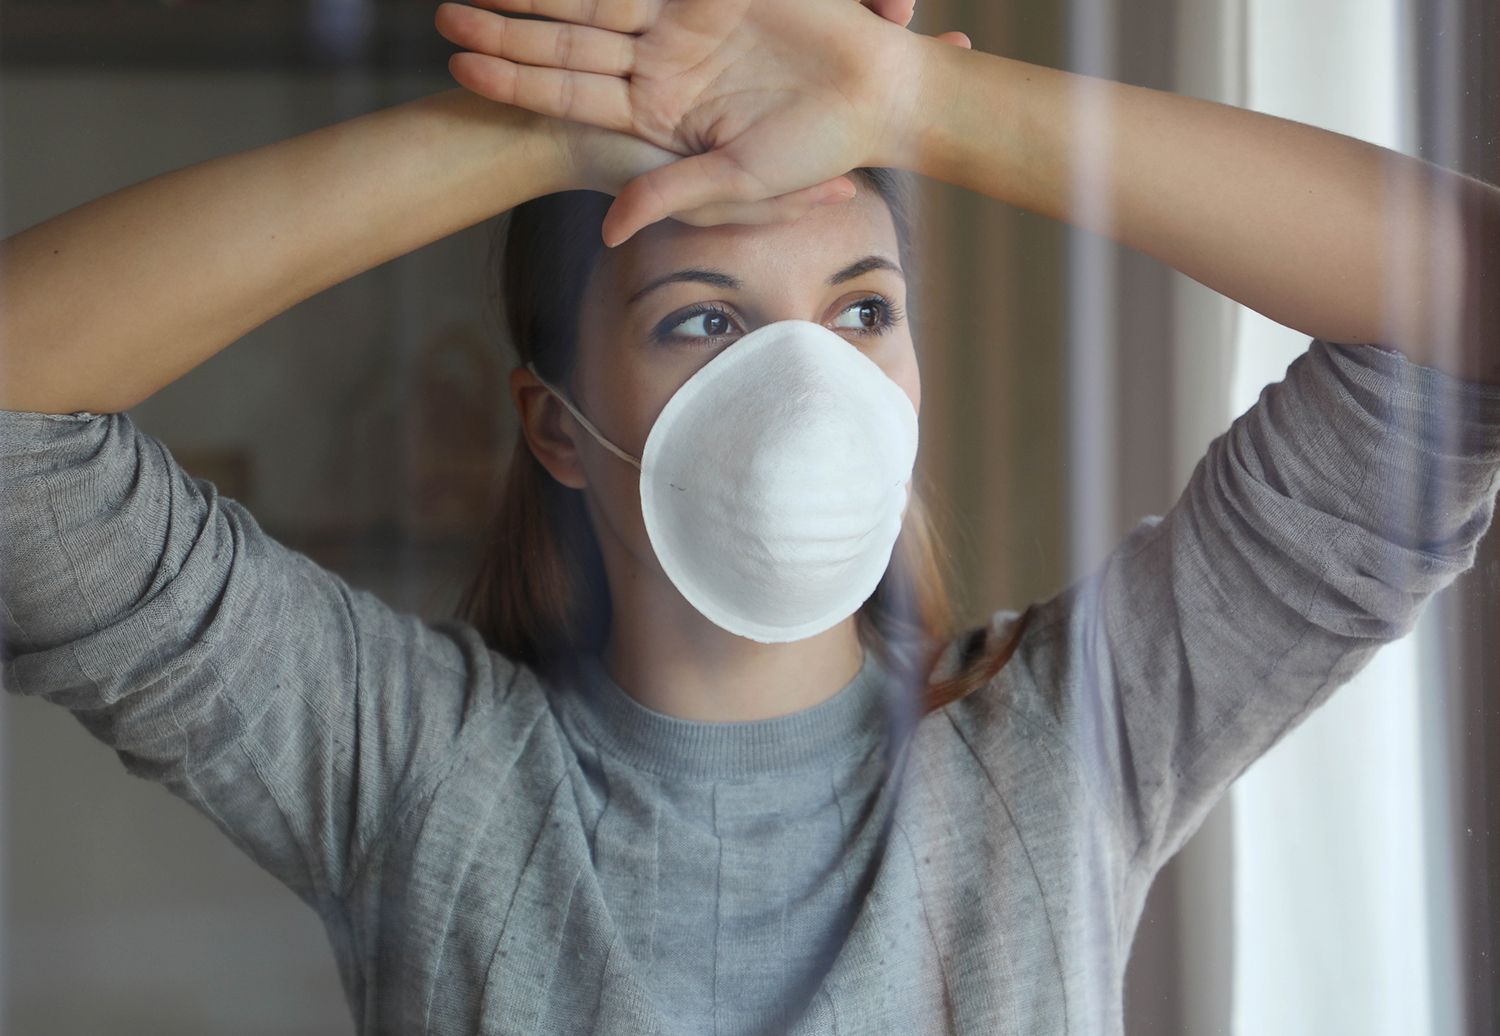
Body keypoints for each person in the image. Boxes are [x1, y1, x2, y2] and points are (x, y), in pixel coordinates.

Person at [2, 0, 1497, 1030]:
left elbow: (1469, 307)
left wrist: (921, 101)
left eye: (862, 308)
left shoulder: (1062, 755)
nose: (809, 385)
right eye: (704, 323)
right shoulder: (419, 777)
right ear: (556, 429)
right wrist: (560, 132)